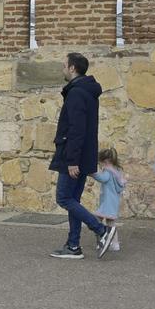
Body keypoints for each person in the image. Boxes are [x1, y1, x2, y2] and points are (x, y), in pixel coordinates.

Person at [49, 52, 117, 259]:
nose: (62, 69)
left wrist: (72, 161)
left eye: (64, 66)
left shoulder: (77, 93)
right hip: (81, 156)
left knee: (64, 197)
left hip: (73, 156)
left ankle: (101, 230)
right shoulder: (86, 91)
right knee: (73, 200)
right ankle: (73, 246)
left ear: (72, 68)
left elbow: (76, 130)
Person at [90, 148, 125, 251]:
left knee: (99, 221)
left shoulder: (108, 172)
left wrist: (92, 174)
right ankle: (112, 243)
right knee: (110, 223)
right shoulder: (116, 171)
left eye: (100, 163)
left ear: (105, 161)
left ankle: (108, 241)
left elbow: (103, 178)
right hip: (113, 201)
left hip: (107, 202)